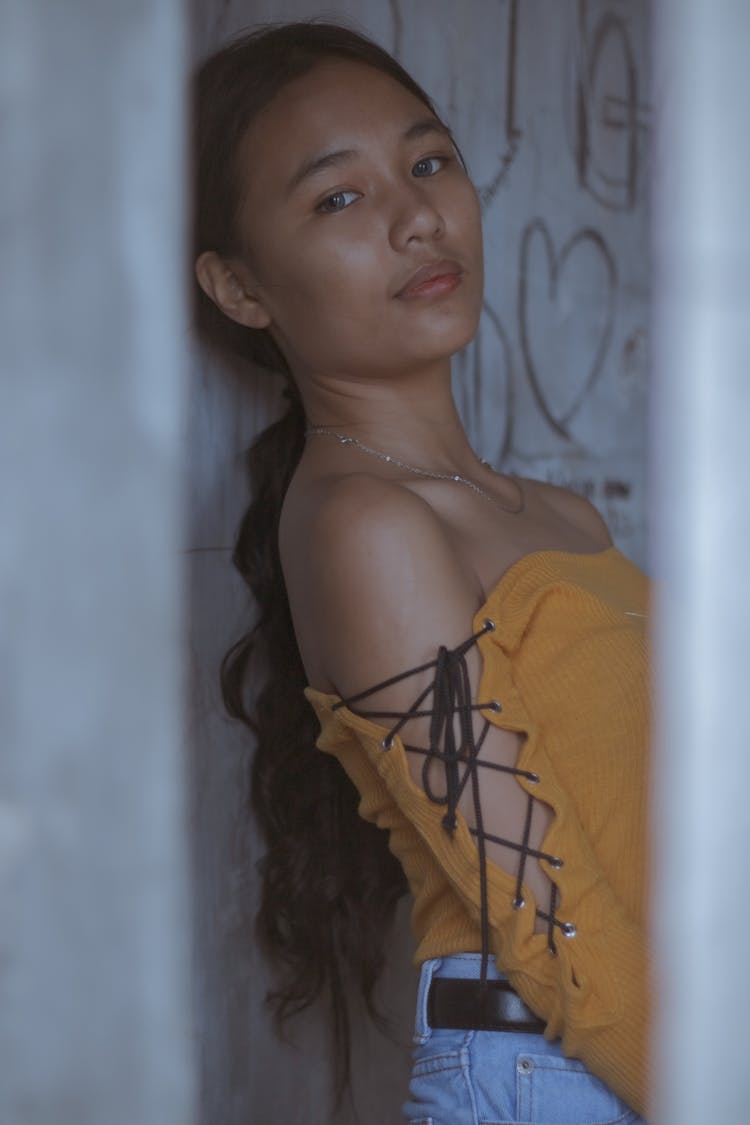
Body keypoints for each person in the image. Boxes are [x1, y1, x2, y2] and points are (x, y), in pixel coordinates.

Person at [193, 21, 651, 1125]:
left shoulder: (561, 514)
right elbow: (550, 924)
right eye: (337, 199)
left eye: (430, 160)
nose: (417, 216)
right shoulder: (360, 526)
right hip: (566, 1077)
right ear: (241, 287)